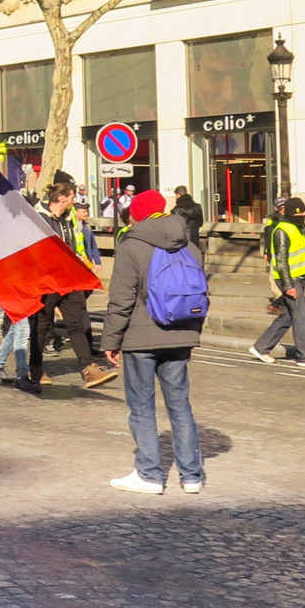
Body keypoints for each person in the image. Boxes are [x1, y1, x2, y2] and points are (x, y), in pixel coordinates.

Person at [101, 190, 206, 494]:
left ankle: (148, 474)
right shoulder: (188, 243)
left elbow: (120, 300)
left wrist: (111, 340)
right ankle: (191, 477)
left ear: (136, 214)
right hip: (181, 333)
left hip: (140, 337)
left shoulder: (131, 244)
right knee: (180, 406)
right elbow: (198, 288)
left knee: (142, 406)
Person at [30, 182, 119, 389]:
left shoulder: (66, 221)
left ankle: (89, 369)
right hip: (46, 281)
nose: (73, 202)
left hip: (68, 279)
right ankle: (35, 368)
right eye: (71, 198)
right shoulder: (39, 219)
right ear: (62, 198)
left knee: (77, 322)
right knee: (42, 325)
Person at [252, 196, 305, 368]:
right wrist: (289, 286)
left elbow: (303, 257)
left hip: (298, 278)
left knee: (288, 317)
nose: (304, 216)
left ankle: (261, 347)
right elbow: (282, 262)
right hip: (289, 279)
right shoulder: (282, 231)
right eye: (301, 213)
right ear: (294, 214)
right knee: (300, 317)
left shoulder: (298, 229)